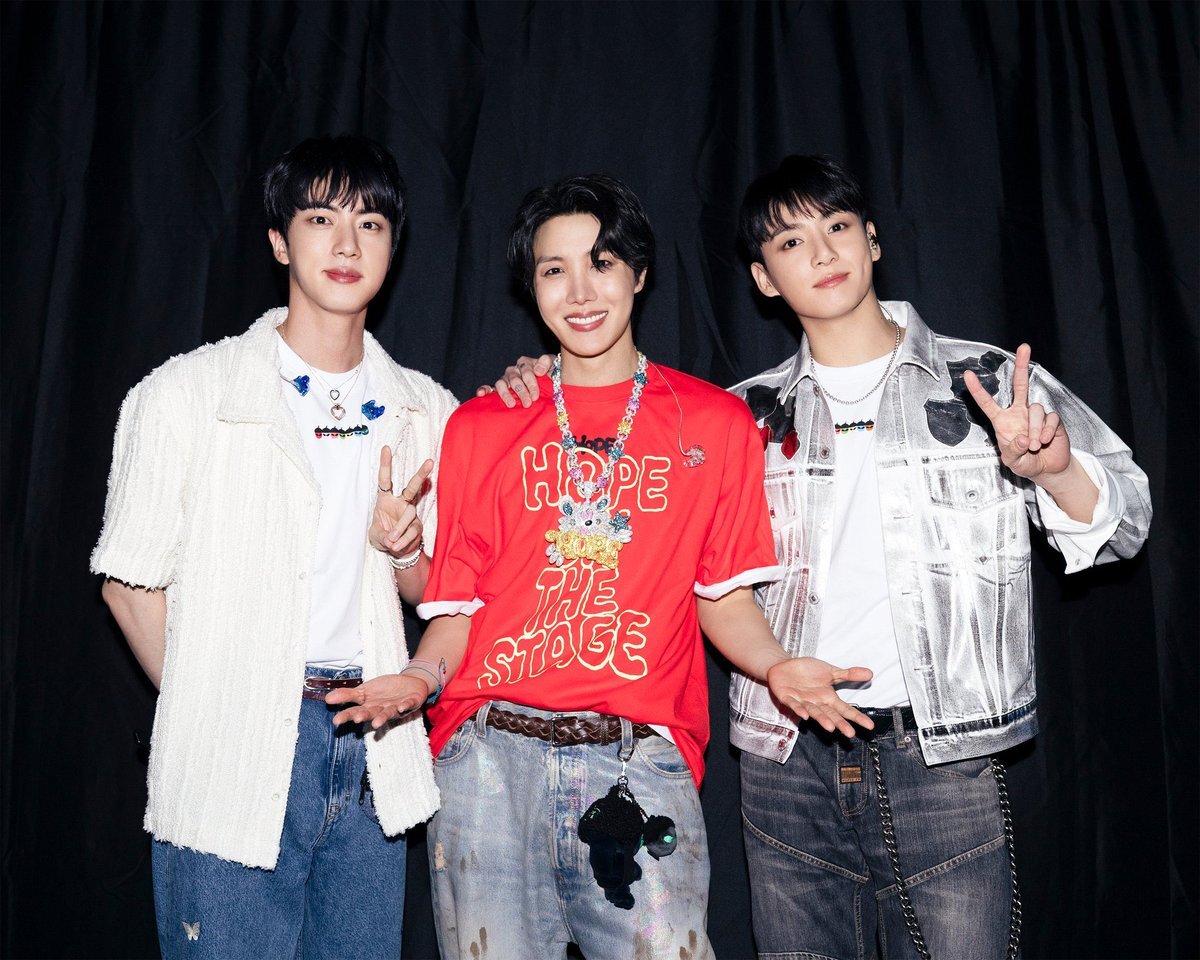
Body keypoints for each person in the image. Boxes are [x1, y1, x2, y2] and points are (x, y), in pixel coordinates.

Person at [484, 155, 1152, 959]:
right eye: (791, 242)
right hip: (785, 758)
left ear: (872, 240)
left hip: (943, 756)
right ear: (764, 278)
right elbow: (679, 573)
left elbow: (1127, 524)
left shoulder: (983, 383)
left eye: (837, 227)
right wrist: (543, 377)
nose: (824, 252)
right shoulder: (738, 417)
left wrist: (1054, 470)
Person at [328, 173, 874, 960]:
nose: (580, 291)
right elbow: (456, 612)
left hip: (637, 764)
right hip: (485, 767)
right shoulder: (482, 425)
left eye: (603, 263)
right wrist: (419, 679)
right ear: (532, 287)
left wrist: (775, 666)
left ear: (639, 273)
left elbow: (722, 598)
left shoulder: (714, 422)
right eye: (555, 270)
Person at [91, 134, 457, 959]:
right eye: (321, 218)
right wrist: (220, 701)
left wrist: (404, 550)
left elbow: (440, 594)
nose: (346, 243)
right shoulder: (185, 393)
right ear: (279, 240)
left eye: (370, 224)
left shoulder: (426, 409)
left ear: (394, 247)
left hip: (373, 744)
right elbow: (128, 583)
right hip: (234, 753)